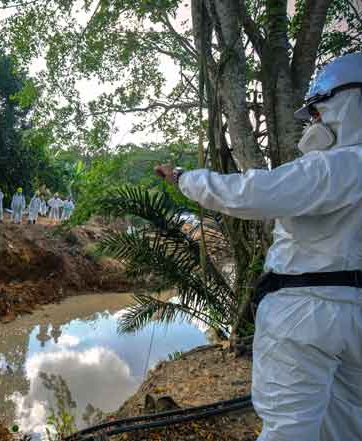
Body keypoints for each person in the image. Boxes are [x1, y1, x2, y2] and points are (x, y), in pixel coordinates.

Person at [155, 53, 362, 441]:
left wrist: (186, 179)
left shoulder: (335, 166)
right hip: (355, 317)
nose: (313, 124)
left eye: (316, 113)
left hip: (305, 313)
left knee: (288, 428)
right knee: (347, 424)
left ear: (344, 105)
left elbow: (251, 192)